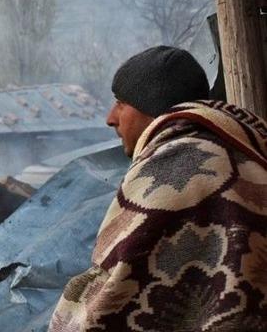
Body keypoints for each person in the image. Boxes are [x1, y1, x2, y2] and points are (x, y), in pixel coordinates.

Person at [49, 45, 267, 331]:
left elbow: (113, 293)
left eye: (121, 103)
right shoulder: (242, 150)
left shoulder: (175, 165)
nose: (110, 118)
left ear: (150, 105)